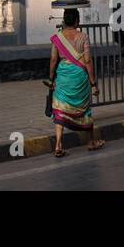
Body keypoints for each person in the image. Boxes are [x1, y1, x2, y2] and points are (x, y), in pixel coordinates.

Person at [47, 8, 103, 157]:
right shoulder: (83, 37)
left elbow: (53, 60)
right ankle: (91, 142)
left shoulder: (57, 37)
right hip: (80, 76)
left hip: (63, 77)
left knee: (59, 109)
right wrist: (93, 83)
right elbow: (87, 60)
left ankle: (58, 144)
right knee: (85, 109)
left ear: (64, 21)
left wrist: (51, 78)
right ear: (77, 21)